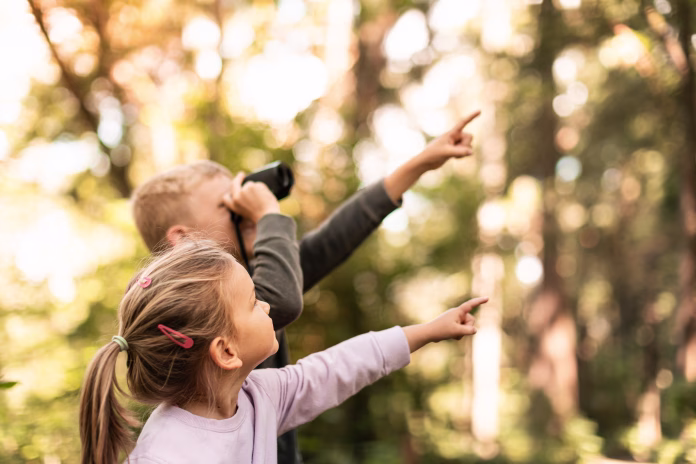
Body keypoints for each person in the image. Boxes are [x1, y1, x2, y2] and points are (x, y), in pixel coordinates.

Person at [129, 110, 480, 463]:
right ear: (184, 240)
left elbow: (333, 240)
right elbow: (282, 299)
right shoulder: (211, 313)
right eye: (228, 204)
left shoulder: (252, 294)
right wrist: (268, 217)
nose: (244, 208)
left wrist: (419, 163)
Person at [78, 239, 487, 464]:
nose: (268, 306)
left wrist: (428, 331)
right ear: (225, 351)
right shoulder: (168, 454)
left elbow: (333, 370)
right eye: (254, 301)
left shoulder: (257, 396)